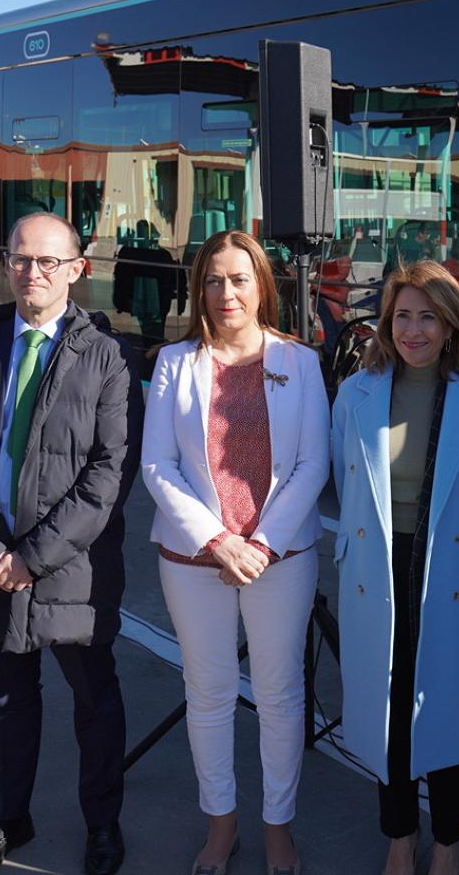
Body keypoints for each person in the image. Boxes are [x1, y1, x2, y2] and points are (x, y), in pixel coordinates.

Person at [0, 212, 142, 875]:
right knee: (8, 702)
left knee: (94, 702)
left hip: (73, 568)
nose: (32, 273)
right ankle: (9, 820)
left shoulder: (107, 356)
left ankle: (102, 824)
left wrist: (33, 557)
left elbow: (109, 474)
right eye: (21, 259)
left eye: (49, 261)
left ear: (78, 269)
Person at [140, 230, 329, 875]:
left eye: (240, 279)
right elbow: (158, 467)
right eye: (214, 280)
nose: (227, 292)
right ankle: (221, 824)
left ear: (262, 287)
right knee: (210, 692)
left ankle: (279, 826)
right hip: (195, 560)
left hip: (280, 557)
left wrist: (262, 543)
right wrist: (219, 541)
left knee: (279, 696)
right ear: (199, 289)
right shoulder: (173, 363)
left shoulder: (299, 362)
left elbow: (312, 464)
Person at [330, 260, 459, 875]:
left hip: (451, 570)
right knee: (391, 707)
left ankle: (449, 843)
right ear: (385, 323)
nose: (413, 330)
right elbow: (344, 481)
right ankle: (400, 838)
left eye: (428, 317)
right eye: (402, 315)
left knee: (447, 708)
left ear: (451, 326)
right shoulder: (356, 392)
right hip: (379, 566)